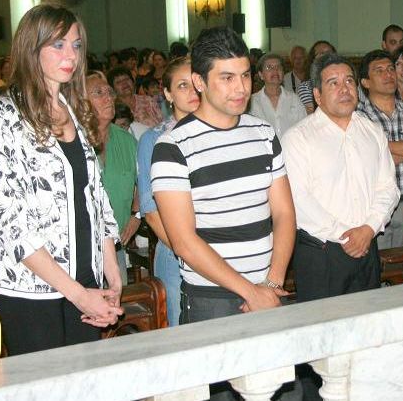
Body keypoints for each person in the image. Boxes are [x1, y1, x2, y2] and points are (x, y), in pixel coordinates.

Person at [152, 27, 296, 401]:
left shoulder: (263, 133)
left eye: (246, 75)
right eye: (227, 78)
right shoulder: (173, 146)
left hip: (267, 285)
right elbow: (183, 241)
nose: (241, 88)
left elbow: (283, 213)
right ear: (199, 81)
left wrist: (270, 282)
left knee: (281, 392)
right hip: (211, 297)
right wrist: (249, 290)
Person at [0, 3, 123, 356]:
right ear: (31, 48)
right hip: (32, 292)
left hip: (86, 279)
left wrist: (110, 270)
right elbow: (12, 225)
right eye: (58, 44)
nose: (70, 54)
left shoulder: (75, 110)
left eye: (76, 44)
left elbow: (95, 198)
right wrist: (78, 294)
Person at [283, 52, 398, 302]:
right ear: (317, 95)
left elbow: (388, 188)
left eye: (348, 81)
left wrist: (368, 229)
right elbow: (298, 199)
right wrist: (347, 235)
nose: (343, 88)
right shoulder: (298, 137)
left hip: (367, 246)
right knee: (323, 333)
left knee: (367, 328)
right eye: (333, 83)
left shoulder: (372, 131)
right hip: (322, 252)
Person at [137, 57, 200, 326]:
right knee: (182, 333)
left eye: (196, 84)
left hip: (220, 247)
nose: (192, 92)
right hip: (177, 253)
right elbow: (151, 212)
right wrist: (188, 252)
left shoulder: (220, 131)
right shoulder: (154, 139)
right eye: (182, 85)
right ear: (167, 94)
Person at [356, 49, 403, 249]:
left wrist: (381, 148)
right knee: (378, 271)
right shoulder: (358, 118)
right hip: (373, 208)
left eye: (390, 69)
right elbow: (367, 161)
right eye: (379, 71)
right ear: (365, 82)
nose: (388, 74)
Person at [87, 73, 140, 284]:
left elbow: (142, 184)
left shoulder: (126, 141)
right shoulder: (73, 140)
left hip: (115, 245)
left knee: (116, 307)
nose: (108, 98)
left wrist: (137, 215)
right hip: (81, 249)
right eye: (98, 93)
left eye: (109, 92)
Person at [249, 53, 306, 138]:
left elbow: (304, 128)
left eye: (278, 67)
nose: (275, 71)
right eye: (269, 67)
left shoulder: (294, 99)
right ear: (261, 75)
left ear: (283, 73)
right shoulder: (252, 102)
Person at [296, 40, 336, 112]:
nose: (326, 56)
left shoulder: (344, 82)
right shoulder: (306, 88)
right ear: (313, 60)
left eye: (329, 53)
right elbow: (312, 115)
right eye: (321, 54)